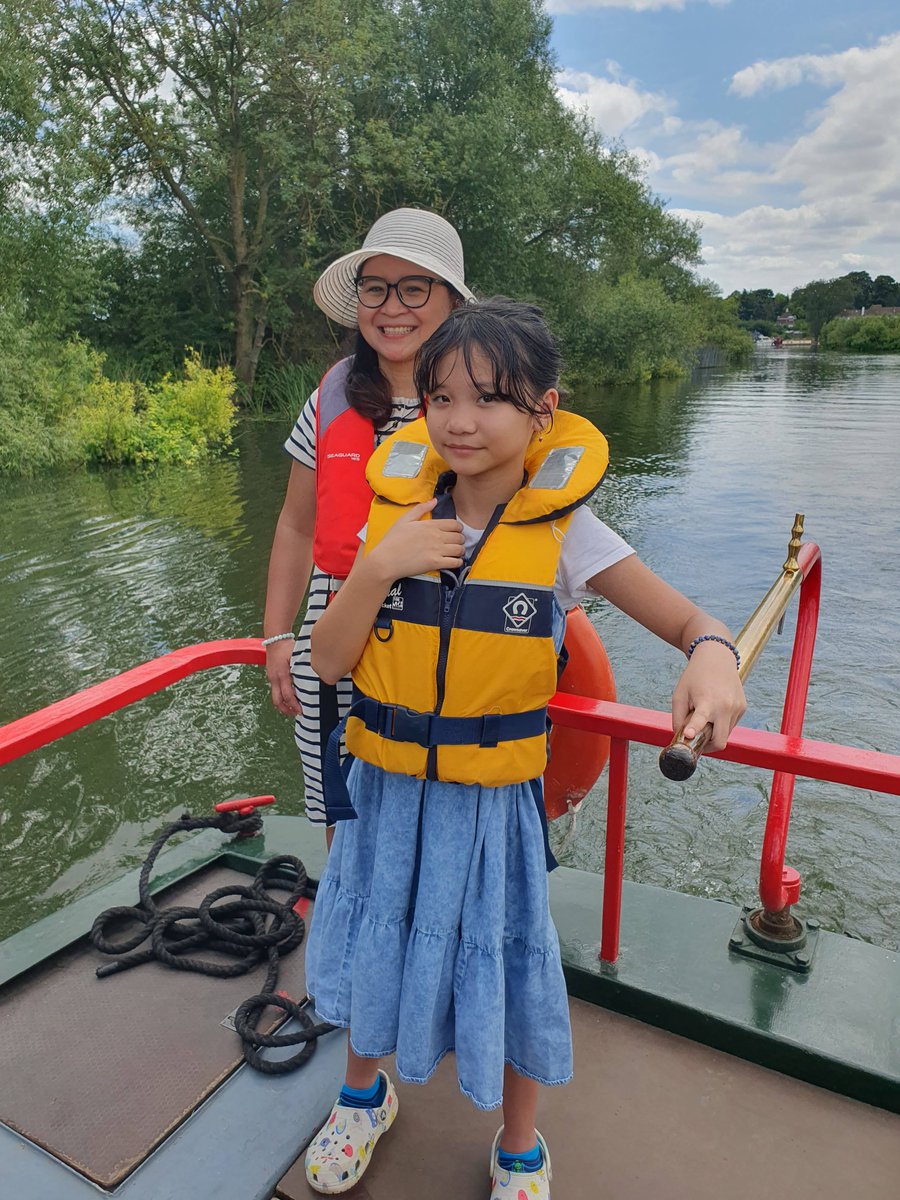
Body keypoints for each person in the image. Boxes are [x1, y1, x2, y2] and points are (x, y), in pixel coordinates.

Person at [303, 298, 747, 1198]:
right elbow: (328, 659)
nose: (459, 421)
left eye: (489, 399)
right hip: (386, 789)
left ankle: (518, 1144)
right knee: (372, 935)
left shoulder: (568, 532)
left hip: (488, 804)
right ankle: (361, 1097)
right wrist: (381, 564)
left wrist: (713, 656)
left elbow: (692, 623)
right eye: (440, 398)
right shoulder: (397, 515)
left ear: (545, 408)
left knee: (505, 959)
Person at [262, 208, 474, 831]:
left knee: (435, 814)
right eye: (375, 288)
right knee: (344, 817)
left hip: (443, 637)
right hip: (333, 637)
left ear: (452, 301)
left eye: (414, 288)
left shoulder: (480, 404)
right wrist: (277, 637)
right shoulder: (328, 399)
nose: (392, 308)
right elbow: (295, 525)